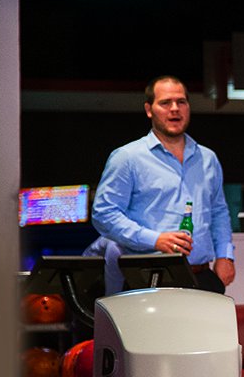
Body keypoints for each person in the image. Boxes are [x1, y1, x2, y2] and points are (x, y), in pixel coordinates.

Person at [91, 75, 235, 294]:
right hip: (147, 277)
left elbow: (218, 211)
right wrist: (155, 240)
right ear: (149, 110)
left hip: (200, 276)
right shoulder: (128, 157)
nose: (175, 109)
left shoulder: (207, 158)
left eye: (181, 102)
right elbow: (104, 214)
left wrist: (225, 255)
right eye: (165, 103)